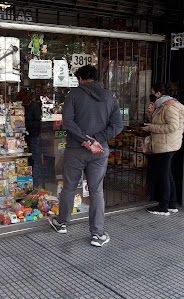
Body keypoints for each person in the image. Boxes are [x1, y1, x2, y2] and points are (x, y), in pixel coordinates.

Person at [49, 65, 123, 247]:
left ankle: (62, 223)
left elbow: (68, 122)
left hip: (76, 149)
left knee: (69, 187)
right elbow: (117, 125)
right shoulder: (110, 96)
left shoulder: (74, 94)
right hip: (100, 151)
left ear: (81, 79)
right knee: (96, 191)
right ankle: (97, 234)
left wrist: (86, 140)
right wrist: (98, 140)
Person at [141, 82, 184, 215]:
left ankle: (163, 206)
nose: (152, 95)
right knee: (168, 174)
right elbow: (160, 122)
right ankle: (171, 203)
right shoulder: (162, 105)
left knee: (163, 175)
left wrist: (151, 128)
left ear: (159, 93)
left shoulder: (170, 106)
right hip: (165, 144)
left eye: (153, 92)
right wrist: (151, 114)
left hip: (166, 145)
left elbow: (172, 126)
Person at [17, 89, 42, 187]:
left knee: (34, 158)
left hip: (33, 135)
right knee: (29, 157)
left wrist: (26, 125)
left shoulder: (34, 107)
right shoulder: (28, 106)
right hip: (29, 135)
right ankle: (30, 180)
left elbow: (37, 122)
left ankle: (35, 182)